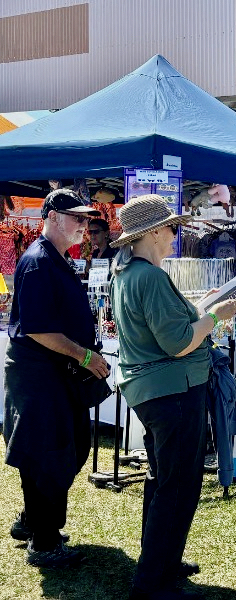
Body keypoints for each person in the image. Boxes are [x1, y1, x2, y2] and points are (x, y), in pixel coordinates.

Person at [109, 194, 236, 600]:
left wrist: (204, 306)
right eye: (171, 228)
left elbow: (167, 326)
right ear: (150, 234)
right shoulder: (149, 276)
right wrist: (216, 317)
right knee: (177, 486)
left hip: (154, 391)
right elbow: (179, 341)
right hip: (173, 390)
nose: (175, 236)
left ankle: (161, 561)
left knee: (163, 480)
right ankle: (153, 581)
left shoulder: (128, 272)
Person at [3, 188, 109, 568]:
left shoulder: (55, 258)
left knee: (59, 450)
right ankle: (43, 542)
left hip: (50, 375)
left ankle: (34, 523)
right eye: (76, 218)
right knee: (49, 455)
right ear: (50, 217)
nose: (84, 225)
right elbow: (36, 329)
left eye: (86, 219)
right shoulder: (37, 261)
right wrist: (84, 356)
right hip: (39, 376)